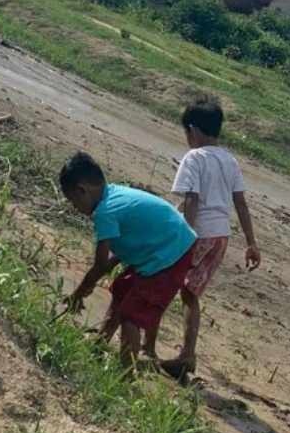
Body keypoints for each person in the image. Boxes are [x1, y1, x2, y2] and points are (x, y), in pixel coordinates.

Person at [59, 151, 196, 370]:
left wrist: (78, 293)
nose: (74, 207)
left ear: (82, 190)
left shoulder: (105, 211)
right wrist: (93, 281)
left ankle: (126, 372)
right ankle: (100, 342)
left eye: (73, 201)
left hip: (170, 255)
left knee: (131, 315)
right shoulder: (114, 194)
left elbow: (100, 265)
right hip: (165, 247)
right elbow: (121, 250)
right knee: (123, 289)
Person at [159, 97, 261, 381]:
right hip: (220, 237)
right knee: (190, 293)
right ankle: (187, 354)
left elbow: (192, 199)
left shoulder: (194, 158)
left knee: (164, 281)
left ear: (192, 130)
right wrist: (251, 243)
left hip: (199, 233)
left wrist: (185, 235)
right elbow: (240, 203)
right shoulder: (230, 160)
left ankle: (146, 341)